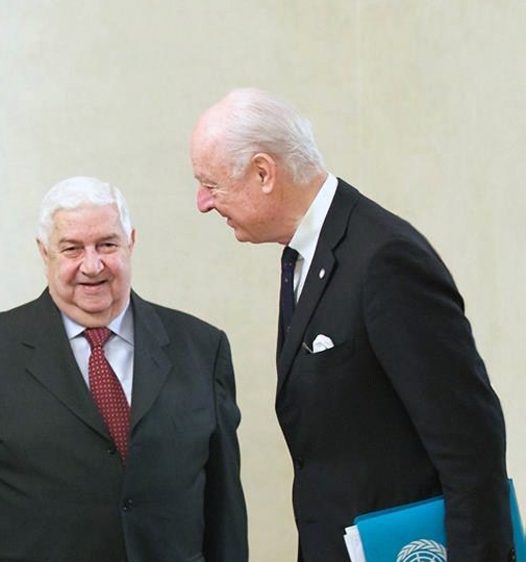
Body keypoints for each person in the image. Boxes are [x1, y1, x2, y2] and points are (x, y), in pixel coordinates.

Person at [189, 88, 513, 561]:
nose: (203, 202)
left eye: (211, 184)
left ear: (263, 172)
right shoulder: (300, 256)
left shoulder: (385, 260)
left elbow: (470, 445)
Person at [0, 176, 248, 562]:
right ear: (45, 253)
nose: (92, 266)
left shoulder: (202, 349)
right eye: (72, 248)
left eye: (107, 245)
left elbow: (226, 514)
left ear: (131, 243)